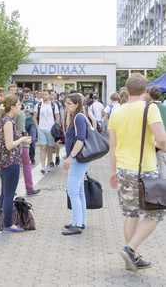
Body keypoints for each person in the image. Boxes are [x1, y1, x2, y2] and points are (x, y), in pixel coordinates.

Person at [109, 73, 166, 272]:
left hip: (123, 169)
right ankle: (130, 248)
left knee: (131, 213)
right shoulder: (150, 108)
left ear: (126, 88)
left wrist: (113, 171)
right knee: (157, 213)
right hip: (145, 169)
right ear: (145, 90)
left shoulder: (117, 112)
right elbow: (162, 140)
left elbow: (113, 145)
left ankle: (132, 258)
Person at [0, 94, 31, 232]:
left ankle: (1, 221)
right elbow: (9, 145)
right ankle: (8, 224)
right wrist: (22, 140)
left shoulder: (0, 120)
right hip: (9, 162)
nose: (21, 107)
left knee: (4, 193)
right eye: (19, 104)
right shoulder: (8, 122)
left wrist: (21, 139)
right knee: (9, 195)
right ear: (12, 107)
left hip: (1, 163)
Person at [62, 93, 90, 235]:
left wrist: (70, 157)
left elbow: (80, 139)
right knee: (78, 192)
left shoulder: (79, 117)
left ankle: (77, 224)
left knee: (73, 191)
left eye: (69, 104)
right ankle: (80, 221)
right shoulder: (78, 116)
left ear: (77, 104)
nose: (66, 106)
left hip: (78, 159)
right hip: (81, 159)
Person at [13, 92, 41, 196]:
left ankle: (12, 189)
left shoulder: (7, 114)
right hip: (20, 143)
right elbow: (21, 130)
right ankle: (29, 188)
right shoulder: (21, 114)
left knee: (14, 167)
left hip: (12, 142)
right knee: (26, 165)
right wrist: (22, 144)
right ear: (20, 101)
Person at [33, 89, 60, 174]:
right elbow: (34, 117)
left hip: (50, 130)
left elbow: (58, 117)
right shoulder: (38, 105)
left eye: (45, 94)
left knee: (49, 148)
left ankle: (48, 164)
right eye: (42, 94)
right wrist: (37, 127)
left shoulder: (53, 105)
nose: (43, 96)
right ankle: (43, 167)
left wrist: (55, 126)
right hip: (41, 129)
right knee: (42, 147)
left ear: (49, 95)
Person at [147, 86, 166, 179]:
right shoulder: (164, 108)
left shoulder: (147, 108)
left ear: (149, 95)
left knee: (151, 166)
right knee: (162, 165)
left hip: (150, 142)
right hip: (163, 141)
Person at [23, 87, 37, 165]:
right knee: (23, 141)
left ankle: (32, 158)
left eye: (28, 95)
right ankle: (24, 158)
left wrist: (32, 111)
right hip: (23, 123)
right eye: (25, 95)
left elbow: (38, 111)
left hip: (32, 123)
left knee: (32, 141)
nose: (26, 97)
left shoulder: (34, 101)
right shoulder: (20, 101)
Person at [50, 90, 64, 166]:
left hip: (55, 126)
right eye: (51, 94)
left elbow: (62, 115)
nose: (53, 96)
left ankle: (57, 155)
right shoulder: (44, 104)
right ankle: (51, 161)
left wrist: (63, 128)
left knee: (55, 143)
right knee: (49, 144)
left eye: (54, 94)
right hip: (47, 126)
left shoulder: (58, 104)